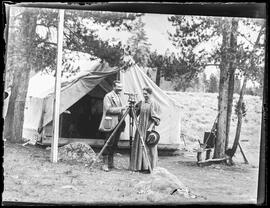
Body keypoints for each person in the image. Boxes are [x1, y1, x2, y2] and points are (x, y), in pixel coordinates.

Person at [130, 87, 161, 173]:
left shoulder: (154, 103)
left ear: (150, 94)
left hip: (149, 128)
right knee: (139, 146)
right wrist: (132, 108)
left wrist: (151, 127)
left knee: (149, 148)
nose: (144, 95)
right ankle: (140, 166)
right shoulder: (141, 103)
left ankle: (150, 167)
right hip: (140, 128)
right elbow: (134, 115)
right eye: (143, 93)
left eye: (146, 93)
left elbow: (157, 119)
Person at [99, 80, 126, 171]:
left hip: (118, 123)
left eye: (121, 88)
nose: (120, 89)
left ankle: (111, 163)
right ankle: (104, 164)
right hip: (110, 122)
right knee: (108, 142)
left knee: (114, 144)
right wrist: (121, 108)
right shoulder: (108, 96)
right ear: (113, 87)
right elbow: (108, 109)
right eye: (118, 87)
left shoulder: (119, 96)